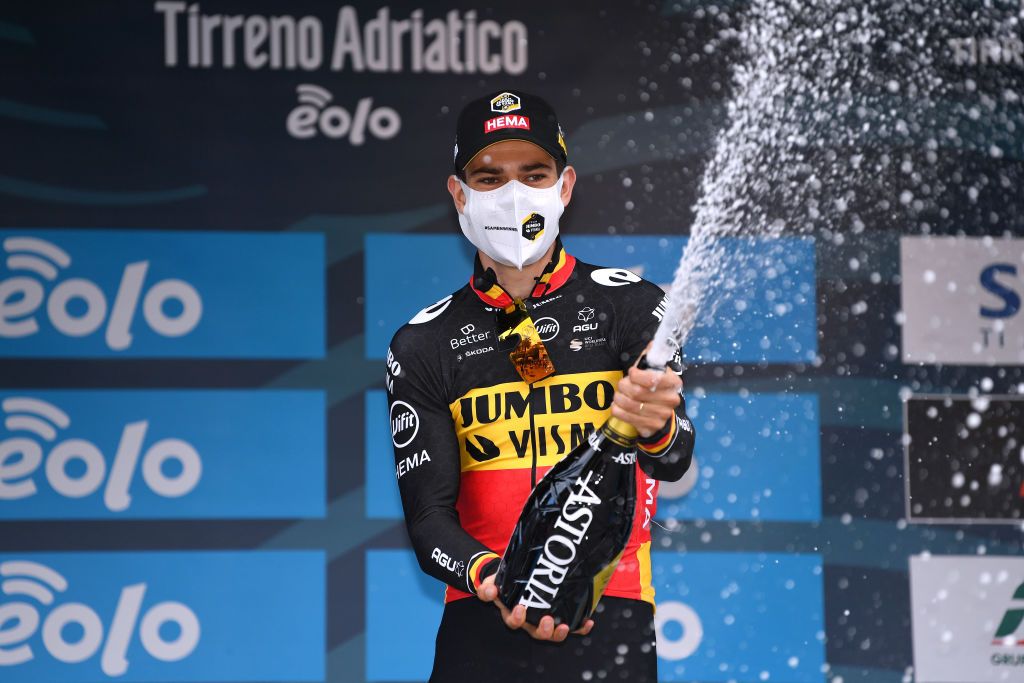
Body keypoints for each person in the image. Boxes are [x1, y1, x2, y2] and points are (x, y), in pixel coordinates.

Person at [386, 89, 696, 682]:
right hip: (481, 619)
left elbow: (677, 458)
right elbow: (428, 521)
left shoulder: (631, 306)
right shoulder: (422, 343)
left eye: (534, 174)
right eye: (488, 176)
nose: (512, 192)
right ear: (458, 193)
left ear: (565, 186)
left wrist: (656, 427)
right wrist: (494, 578)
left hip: (612, 612)